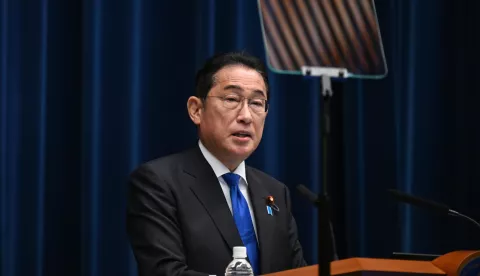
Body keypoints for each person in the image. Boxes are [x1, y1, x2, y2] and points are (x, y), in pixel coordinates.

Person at [126, 51, 307, 276]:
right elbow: (164, 271)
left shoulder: (275, 192)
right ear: (196, 110)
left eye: (257, 103)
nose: (246, 116)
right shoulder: (158, 183)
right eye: (231, 99)